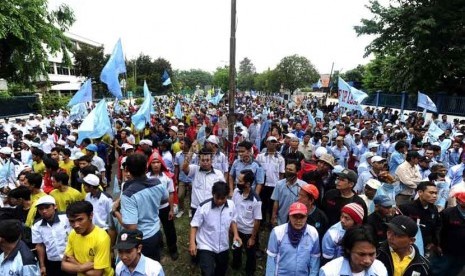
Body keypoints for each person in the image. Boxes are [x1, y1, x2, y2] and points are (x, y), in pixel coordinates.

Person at [117, 153, 169, 262]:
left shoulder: (128, 194)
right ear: (146, 167)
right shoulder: (158, 183)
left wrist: (115, 213)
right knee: (154, 265)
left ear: (127, 169)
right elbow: (165, 199)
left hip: (142, 238)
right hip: (156, 231)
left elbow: (131, 227)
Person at [189, 181, 242, 276]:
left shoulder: (231, 205)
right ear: (213, 194)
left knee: (221, 270)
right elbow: (194, 225)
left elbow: (233, 220)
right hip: (206, 245)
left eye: (223, 198)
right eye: (217, 198)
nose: (220, 201)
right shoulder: (203, 207)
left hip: (223, 246)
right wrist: (192, 243)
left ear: (227, 196)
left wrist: (236, 234)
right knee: (207, 273)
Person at [265, 202, 320, 276]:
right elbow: (271, 259)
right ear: (289, 216)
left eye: (302, 217)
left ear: (307, 217)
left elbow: (315, 260)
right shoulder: (277, 232)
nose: (298, 220)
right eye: (295, 217)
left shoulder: (313, 233)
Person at [62, 200, 114, 275]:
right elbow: (64, 265)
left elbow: (97, 273)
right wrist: (81, 267)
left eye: (80, 219)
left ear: (91, 216)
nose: (76, 225)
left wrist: (75, 263)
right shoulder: (73, 234)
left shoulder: (102, 238)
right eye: (72, 221)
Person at [320, 225, 388, 276]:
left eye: (372, 254)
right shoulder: (329, 272)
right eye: (361, 254)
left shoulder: (380, 270)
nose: (367, 260)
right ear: (348, 250)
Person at [31, 195, 72, 276]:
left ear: (55, 206)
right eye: (41, 209)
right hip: (53, 262)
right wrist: (42, 265)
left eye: (47, 207)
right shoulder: (36, 225)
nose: (44, 211)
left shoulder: (66, 218)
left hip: (71, 258)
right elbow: (40, 245)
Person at [231, 169, 262, 275]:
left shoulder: (256, 200)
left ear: (248, 184)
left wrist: (253, 238)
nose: (237, 182)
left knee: (250, 255)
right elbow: (233, 210)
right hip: (236, 229)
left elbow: (257, 220)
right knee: (236, 249)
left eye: (240, 181)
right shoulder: (236, 192)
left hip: (249, 232)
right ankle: (236, 265)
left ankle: (250, 271)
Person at [399, 181, 440, 256]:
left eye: (436, 193)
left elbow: (436, 227)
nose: (434, 196)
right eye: (431, 193)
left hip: (427, 246)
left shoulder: (434, 209)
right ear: (420, 192)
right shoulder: (406, 208)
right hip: (408, 246)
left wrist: (434, 243)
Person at [432, 191, 465, 275]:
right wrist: (437, 244)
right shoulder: (447, 213)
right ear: (459, 201)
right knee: (438, 271)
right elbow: (438, 230)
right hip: (446, 250)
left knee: (454, 271)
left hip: (462, 253)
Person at [271, 160, 307, 225]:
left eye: (290, 170)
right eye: (286, 169)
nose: (288, 172)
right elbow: (276, 201)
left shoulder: (304, 186)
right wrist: (274, 216)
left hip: (297, 220)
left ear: (297, 172)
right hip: (281, 219)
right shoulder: (279, 184)